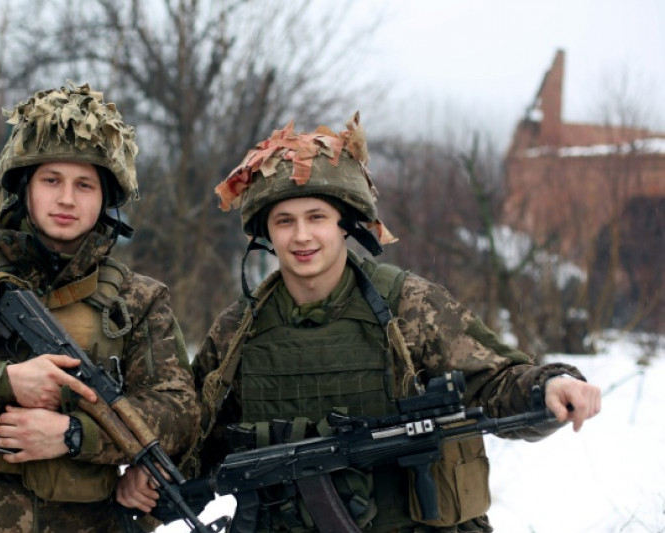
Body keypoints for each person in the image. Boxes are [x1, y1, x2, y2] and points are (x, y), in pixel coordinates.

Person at [116, 115, 601, 532]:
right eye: (284, 221)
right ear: (266, 233)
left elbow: (493, 382)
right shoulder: (240, 328)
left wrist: (550, 386)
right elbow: (200, 430)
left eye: (317, 217)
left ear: (344, 224)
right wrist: (155, 476)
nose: (302, 236)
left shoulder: (409, 305)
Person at [0, 84, 200, 533]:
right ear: (24, 187)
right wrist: (2, 383)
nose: (67, 199)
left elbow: (179, 413)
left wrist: (72, 435)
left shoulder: (139, 299)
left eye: (84, 184)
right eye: (52, 180)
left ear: (105, 199)